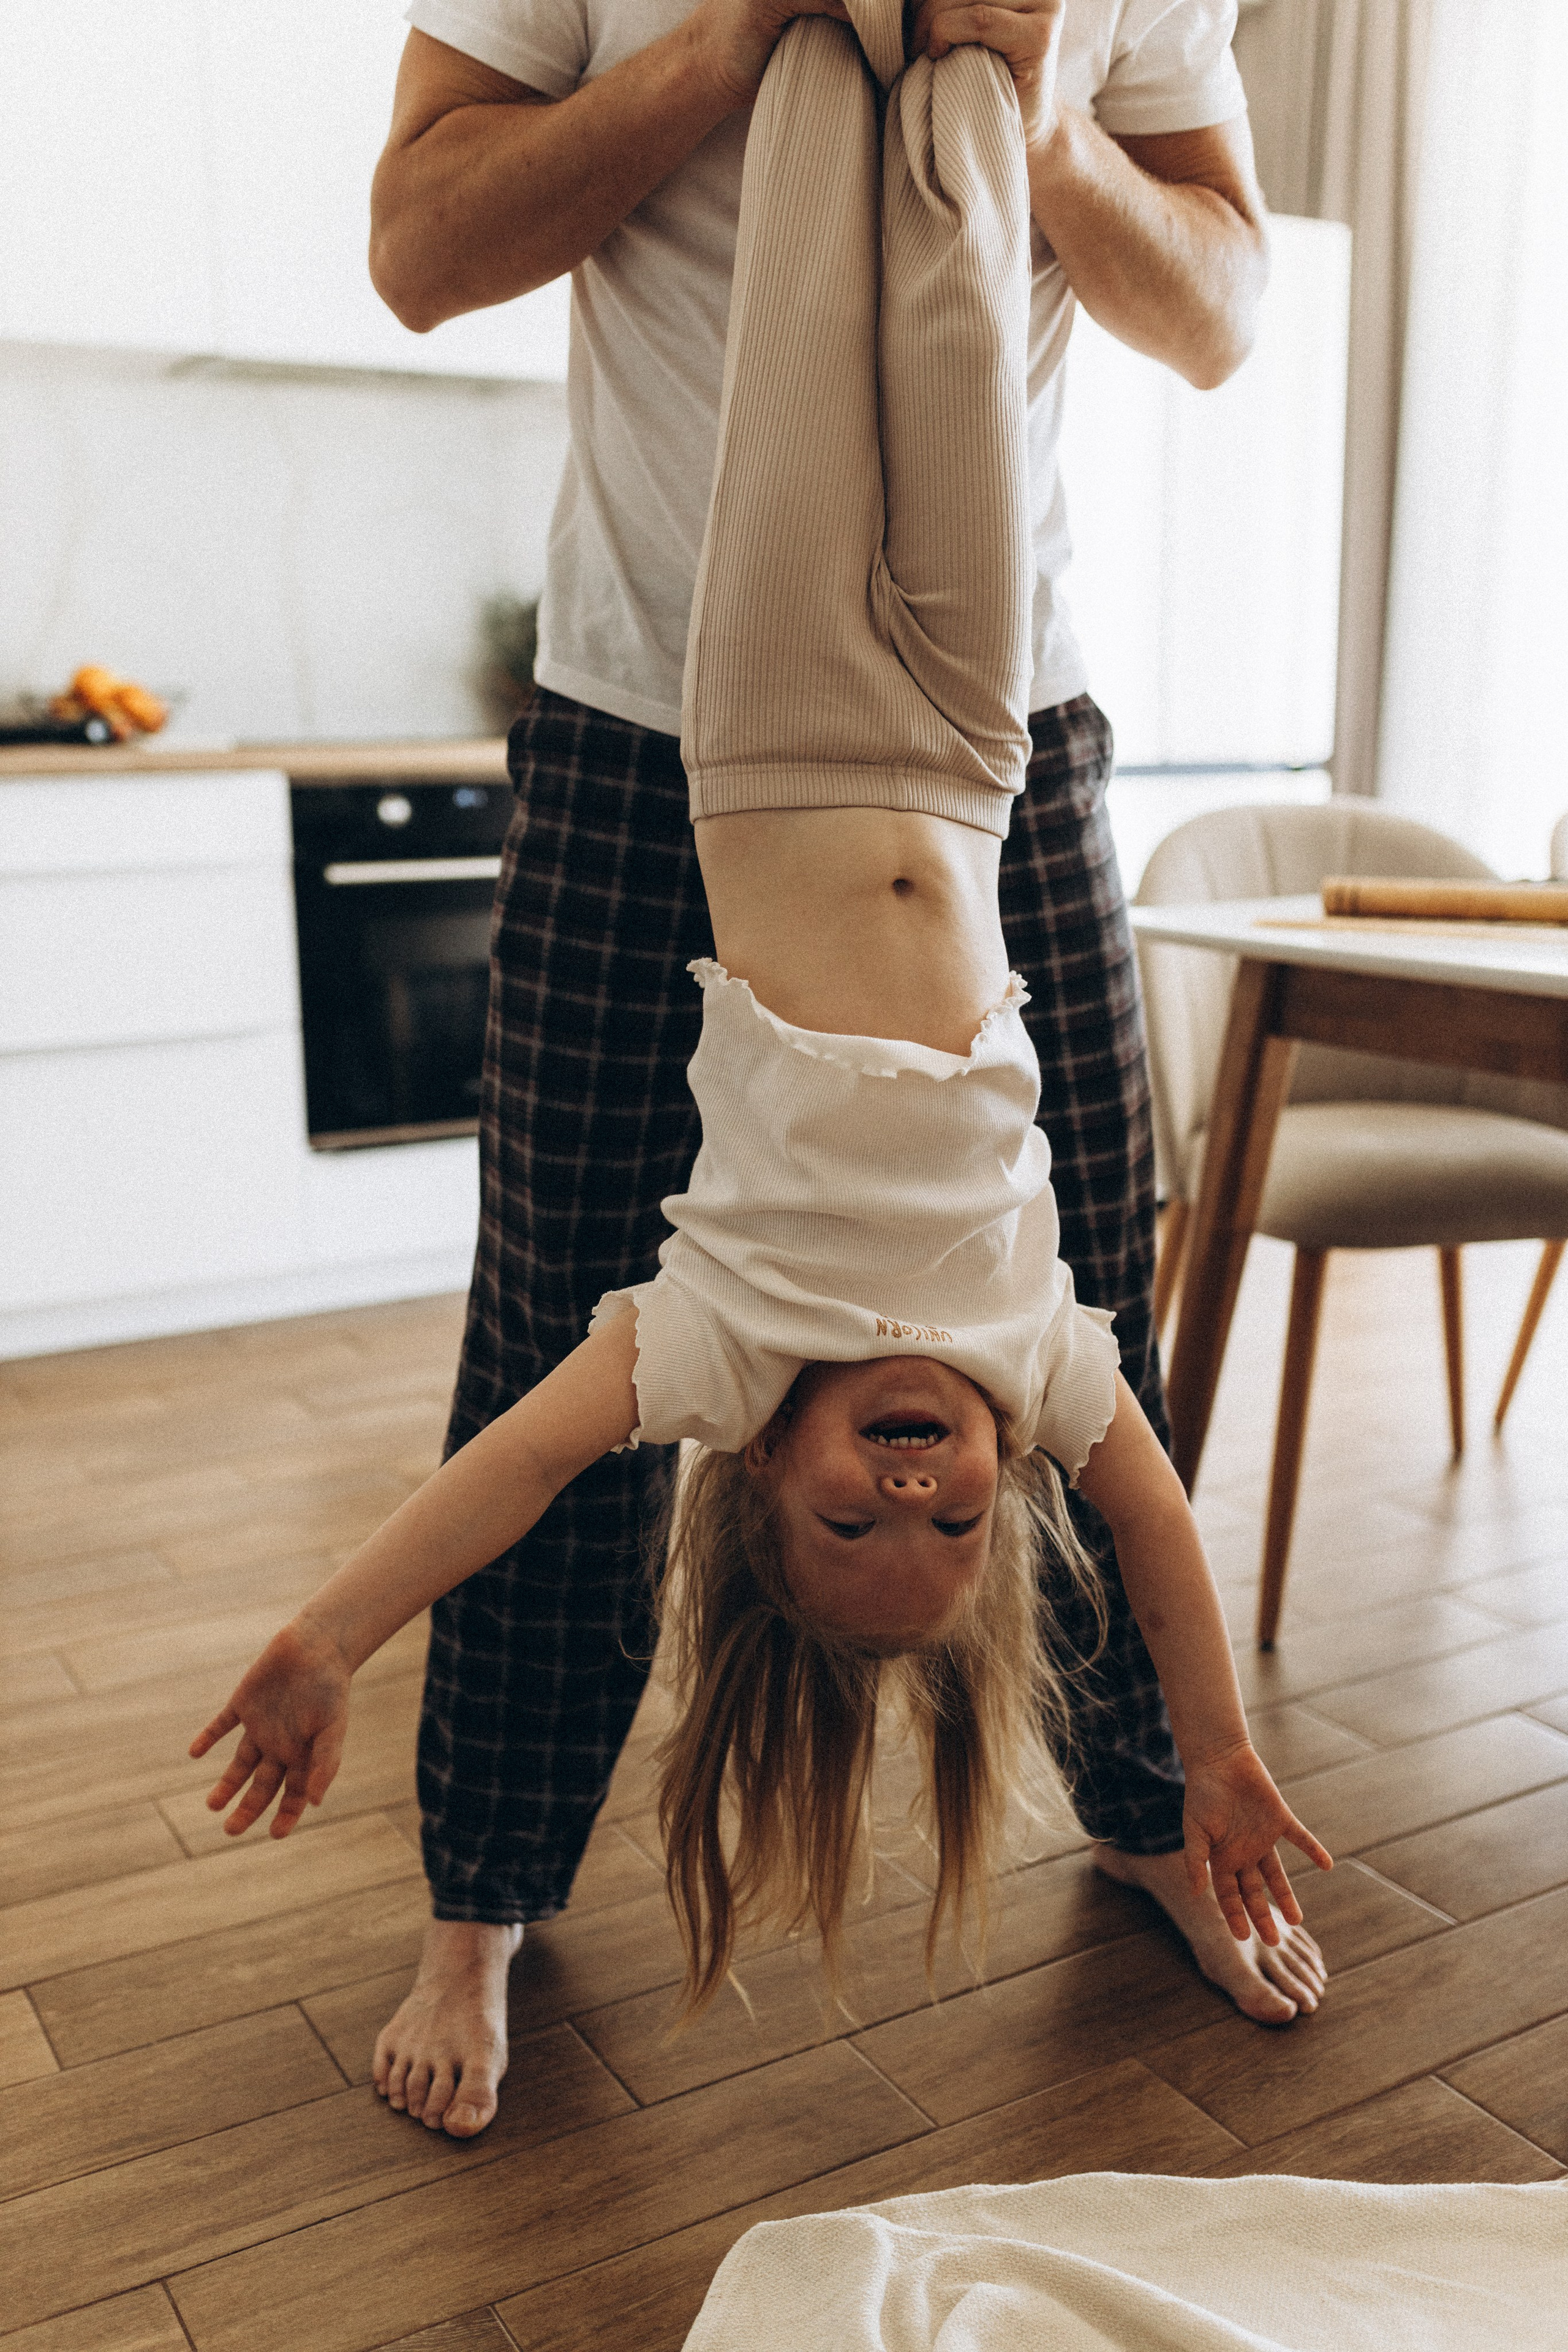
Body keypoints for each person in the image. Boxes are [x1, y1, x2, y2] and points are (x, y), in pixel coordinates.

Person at [329, 0, 1319, 2139]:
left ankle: (1154, 1809)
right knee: (541, 1336)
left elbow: (1228, 309)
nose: (908, 1479)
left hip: (1004, 729)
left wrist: (1042, 112)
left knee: (1103, 1303)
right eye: (934, 1509)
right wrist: (740, 40)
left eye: (872, 1507)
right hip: (633, 713)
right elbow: (416, 245)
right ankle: (484, 1890)